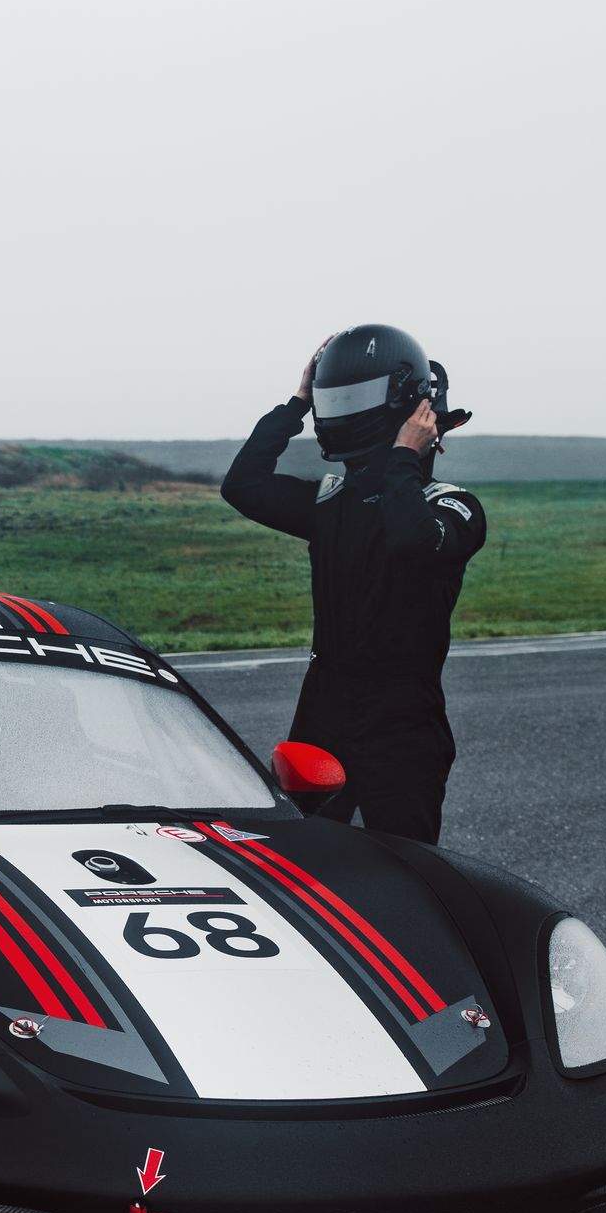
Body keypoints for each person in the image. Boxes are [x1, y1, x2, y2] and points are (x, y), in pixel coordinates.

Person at [221, 324, 486, 844]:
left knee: (410, 874)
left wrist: (405, 457)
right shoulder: (330, 501)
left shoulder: (454, 506)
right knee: (300, 862)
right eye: (332, 397)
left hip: (402, 726)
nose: (341, 409)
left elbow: (411, 541)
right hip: (324, 715)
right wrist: (295, 404)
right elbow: (243, 486)